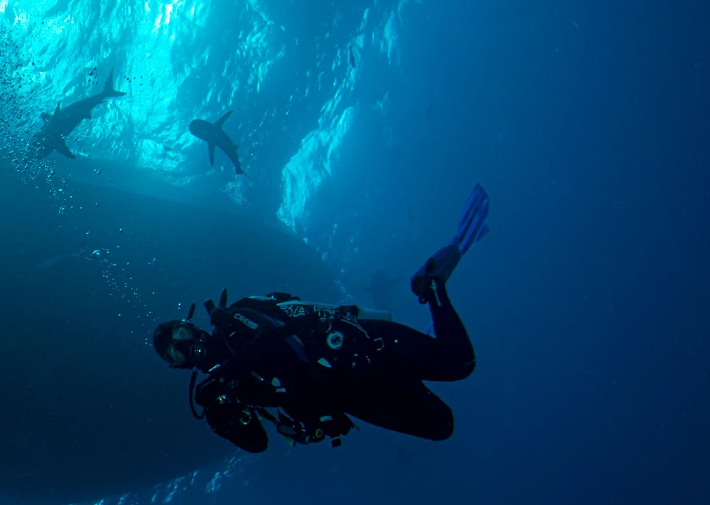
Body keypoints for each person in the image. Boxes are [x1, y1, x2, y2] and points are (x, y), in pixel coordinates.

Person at [151, 186, 489, 451]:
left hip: (356, 347)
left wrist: (225, 375)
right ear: (176, 365)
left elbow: (270, 342)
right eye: (175, 351)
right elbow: (257, 443)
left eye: (180, 333)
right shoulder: (226, 389)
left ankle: (430, 285)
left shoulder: (230, 321)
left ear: (191, 326)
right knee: (441, 426)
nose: (184, 344)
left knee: (460, 364)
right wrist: (222, 417)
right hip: (350, 394)